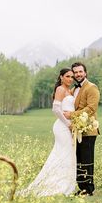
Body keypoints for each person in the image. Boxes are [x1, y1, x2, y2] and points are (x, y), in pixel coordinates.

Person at [23, 68, 77, 196]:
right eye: (68, 76)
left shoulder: (70, 90)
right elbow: (56, 109)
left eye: (72, 77)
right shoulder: (60, 89)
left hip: (68, 126)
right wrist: (68, 123)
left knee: (67, 154)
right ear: (61, 77)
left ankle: (66, 182)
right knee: (63, 153)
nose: (70, 79)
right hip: (62, 126)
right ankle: (57, 185)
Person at [63, 62, 100, 196]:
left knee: (87, 159)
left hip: (88, 130)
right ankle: (81, 187)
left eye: (80, 72)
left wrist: (72, 115)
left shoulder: (91, 88)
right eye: (76, 72)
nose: (78, 74)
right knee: (78, 159)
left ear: (85, 72)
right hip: (77, 130)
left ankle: (88, 189)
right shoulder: (73, 89)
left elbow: (91, 108)